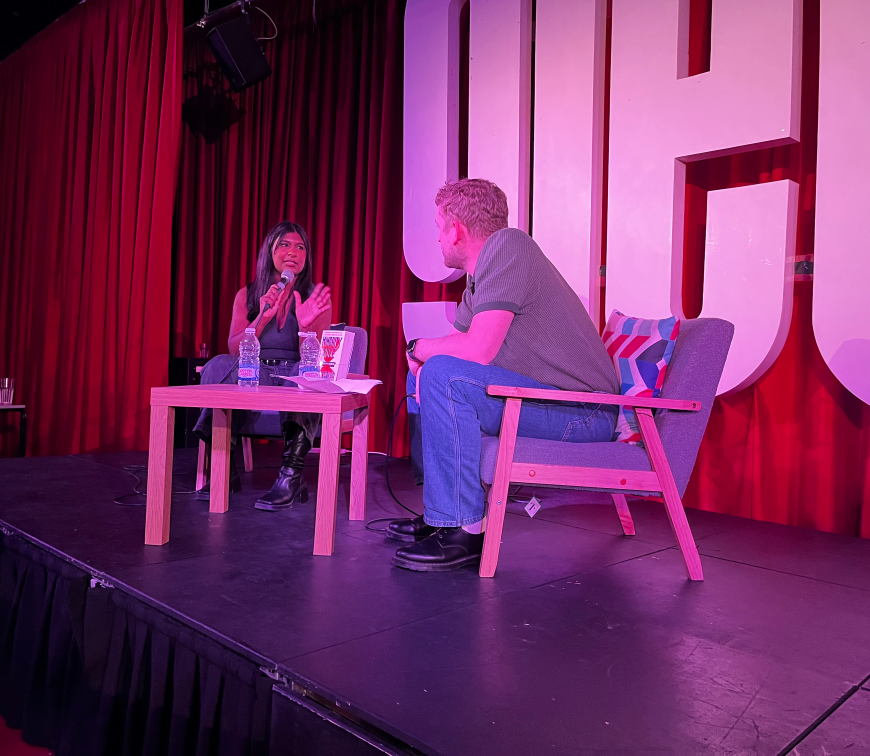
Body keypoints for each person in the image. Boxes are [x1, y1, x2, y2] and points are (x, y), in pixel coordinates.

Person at [389, 179, 619, 571]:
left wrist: (418, 348)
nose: (438, 238)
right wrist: (422, 357)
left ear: (456, 229)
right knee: (426, 374)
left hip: (584, 412)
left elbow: (477, 350)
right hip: (547, 400)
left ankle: (464, 531)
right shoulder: (481, 275)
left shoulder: (510, 246)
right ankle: (442, 513)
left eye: (439, 227)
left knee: (440, 372)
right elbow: (458, 342)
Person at [193, 220, 332, 510]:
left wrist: (306, 327)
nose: (293, 252)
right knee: (218, 365)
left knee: (308, 373)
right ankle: (223, 468)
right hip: (258, 374)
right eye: (284, 244)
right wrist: (262, 318)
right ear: (270, 251)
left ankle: (291, 476)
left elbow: (318, 361)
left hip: (294, 375)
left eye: (300, 247)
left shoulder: (313, 298)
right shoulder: (248, 294)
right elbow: (235, 349)